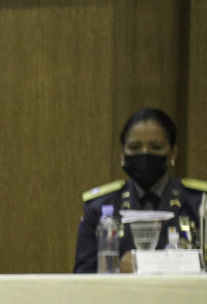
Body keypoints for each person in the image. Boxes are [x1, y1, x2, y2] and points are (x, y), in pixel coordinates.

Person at [74, 107, 205, 273]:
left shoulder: (200, 202)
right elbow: (83, 275)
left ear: (173, 152)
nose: (145, 153)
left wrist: (149, 264)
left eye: (156, 147)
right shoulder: (100, 206)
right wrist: (116, 270)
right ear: (122, 153)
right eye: (135, 147)